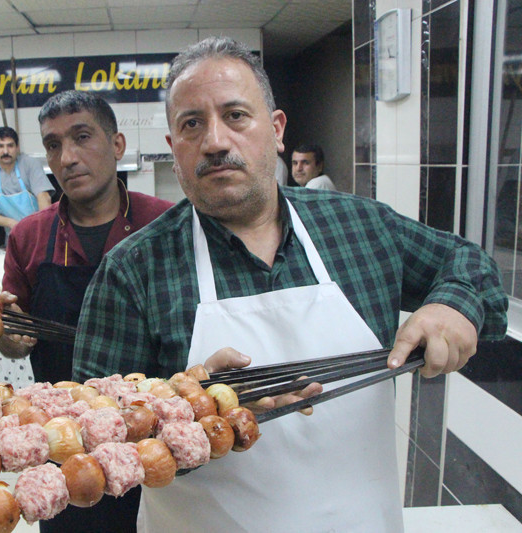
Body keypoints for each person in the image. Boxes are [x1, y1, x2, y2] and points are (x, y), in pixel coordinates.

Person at [72, 37, 507, 533]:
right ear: (173, 149)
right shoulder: (132, 270)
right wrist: (186, 411)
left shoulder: (361, 228)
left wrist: (453, 305)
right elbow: (94, 441)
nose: (215, 141)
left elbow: (468, 261)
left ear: (276, 130)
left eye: (236, 115)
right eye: (192, 124)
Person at [0, 90, 172, 532]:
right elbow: (13, 340)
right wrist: (6, 338)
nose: (67, 157)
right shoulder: (29, 237)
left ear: (117, 145)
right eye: (53, 145)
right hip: (64, 444)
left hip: (153, 438)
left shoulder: (166, 225)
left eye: (82, 137)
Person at [0, 126, 54, 245]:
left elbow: (44, 197)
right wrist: (11, 223)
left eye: (10, 146)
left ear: (17, 148)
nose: (5, 151)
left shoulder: (30, 164)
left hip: (40, 236)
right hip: (14, 240)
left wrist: (45, 230)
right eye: (0, 146)